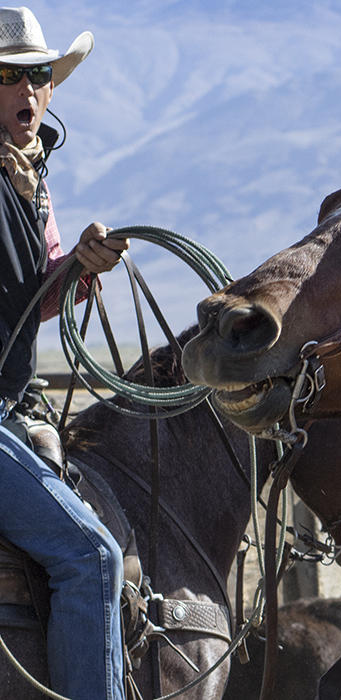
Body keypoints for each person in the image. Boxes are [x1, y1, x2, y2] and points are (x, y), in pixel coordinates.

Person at [0, 7, 128, 699]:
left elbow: (35, 301)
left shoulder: (32, 180)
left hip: (7, 401)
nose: (26, 90)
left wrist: (80, 267)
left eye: (37, 76)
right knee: (93, 557)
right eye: (7, 76)